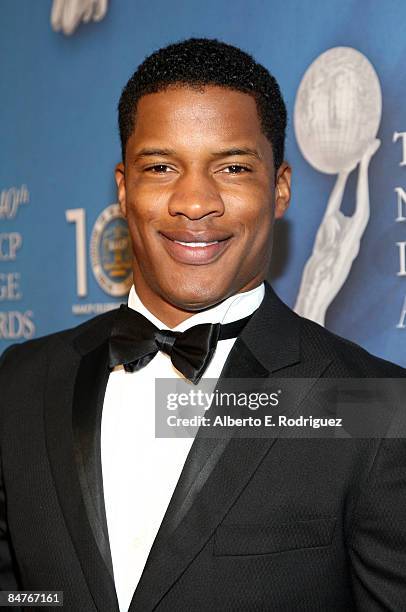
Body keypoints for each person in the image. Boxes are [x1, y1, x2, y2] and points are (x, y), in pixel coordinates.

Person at [0, 38, 405, 612]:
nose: (194, 202)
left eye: (233, 167)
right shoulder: (21, 382)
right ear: (123, 188)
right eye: (161, 167)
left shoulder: (370, 406)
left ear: (280, 188)